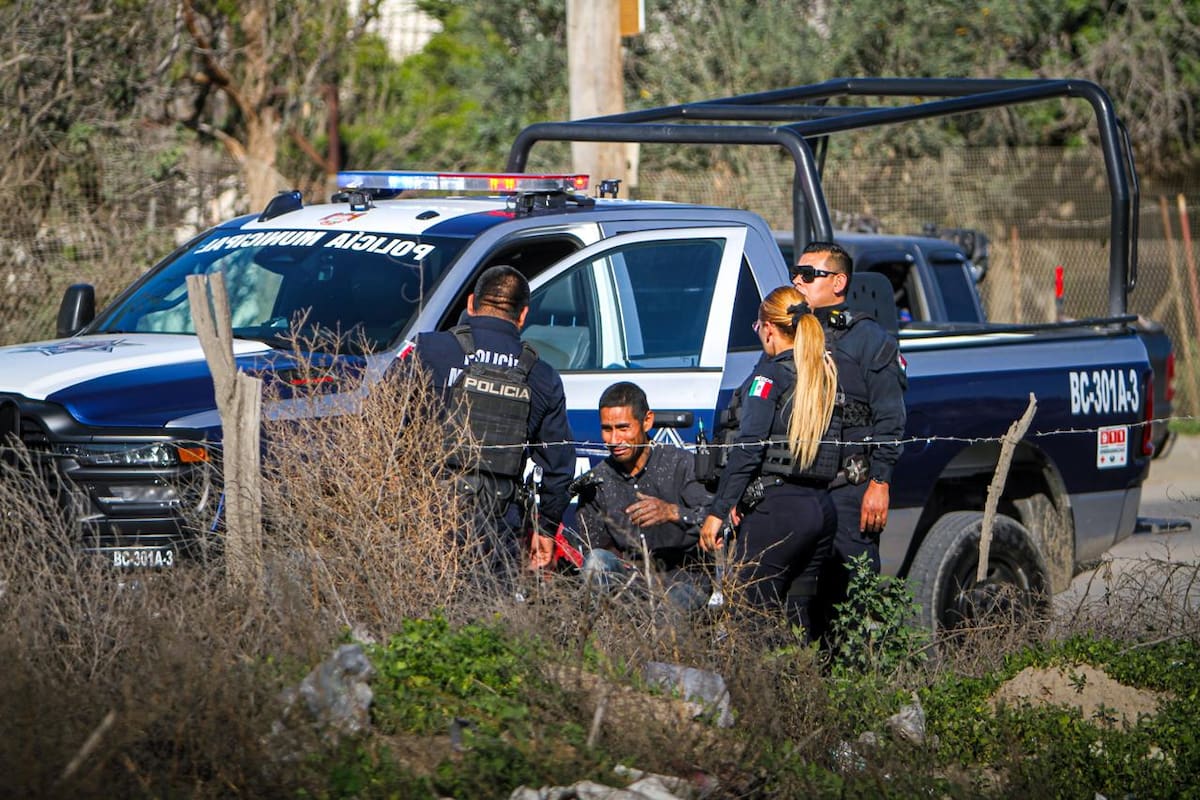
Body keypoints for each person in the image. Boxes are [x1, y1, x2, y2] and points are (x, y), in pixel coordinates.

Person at [405, 265, 575, 568]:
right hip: (497, 531)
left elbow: (384, 423)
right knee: (488, 614)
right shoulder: (541, 375)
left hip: (425, 518)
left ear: (471, 303)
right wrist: (546, 527)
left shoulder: (427, 351)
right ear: (523, 315)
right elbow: (559, 467)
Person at [698, 287, 839, 637]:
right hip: (822, 508)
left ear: (769, 329)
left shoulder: (769, 377)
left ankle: (755, 693)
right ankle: (800, 690)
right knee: (797, 625)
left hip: (779, 512)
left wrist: (719, 509)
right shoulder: (824, 375)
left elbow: (749, 447)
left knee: (749, 619)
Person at [790, 242, 907, 626]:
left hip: (848, 488)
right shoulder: (791, 333)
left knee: (850, 597)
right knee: (798, 601)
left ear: (838, 281)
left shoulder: (868, 339)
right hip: (800, 487)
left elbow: (890, 418)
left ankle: (851, 679)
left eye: (809, 274)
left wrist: (880, 482)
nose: (798, 280)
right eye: (796, 273)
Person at [575, 381, 713, 611]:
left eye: (623, 428)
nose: (614, 440)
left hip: (684, 579)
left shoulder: (680, 464)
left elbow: (715, 520)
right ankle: (597, 641)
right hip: (631, 582)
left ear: (647, 421)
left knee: (667, 617)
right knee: (596, 563)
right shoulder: (597, 480)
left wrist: (672, 512)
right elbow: (594, 549)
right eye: (607, 429)